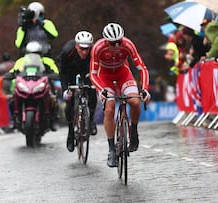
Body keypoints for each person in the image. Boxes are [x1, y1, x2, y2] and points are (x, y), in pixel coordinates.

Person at [90, 23, 151, 167]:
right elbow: (93, 75)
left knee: (135, 102)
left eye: (119, 42)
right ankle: (111, 149)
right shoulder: (98, 48)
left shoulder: (128, 44)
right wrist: (101, 89)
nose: (117, 46)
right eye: (113, 43)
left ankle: (134, 130)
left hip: (123, 73)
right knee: (109, 109)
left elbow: (141, 67)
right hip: (104, 77)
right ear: (106, 41)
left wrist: (145, 89)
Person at [59, 31, 98, 152]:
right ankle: (71, 132)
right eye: (82, 49)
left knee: (92, 92)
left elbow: (98, 70)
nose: (85, 52)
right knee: (69, 103)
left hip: (87, 71)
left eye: (88, 49)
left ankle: (91, 121)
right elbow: (62, 73)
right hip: (70, 71)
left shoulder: (94, 52)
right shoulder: (67, 51)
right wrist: (65, 90)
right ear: (76, 46)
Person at [9, 41, 60, 131]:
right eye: (31, 53)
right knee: (12, 99)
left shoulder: (47, 61)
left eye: (36, 53)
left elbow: (55, 71)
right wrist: (10, 75)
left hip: (41, 83)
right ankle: (14, 118)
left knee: (53, 97)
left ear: (40, 53)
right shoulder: (21, 61)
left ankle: (53, 118)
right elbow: (13, 71)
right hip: (26, 84)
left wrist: (53, 74)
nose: (33, 55)